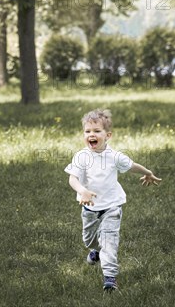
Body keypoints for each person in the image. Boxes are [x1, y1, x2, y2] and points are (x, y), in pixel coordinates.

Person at [65, 109, 162, 291]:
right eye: (87, 131)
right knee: (89, 240)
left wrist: (148, 173)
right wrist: (82, 190)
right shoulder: (81, 156)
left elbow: (132, 166)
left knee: (109, 242)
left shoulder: (115, 156)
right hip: (89, 208)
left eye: (96, 131)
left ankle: (110, 278)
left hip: (112, 207)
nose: (91, 135)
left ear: (107, 135)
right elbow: (72, 178)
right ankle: (96, 252)